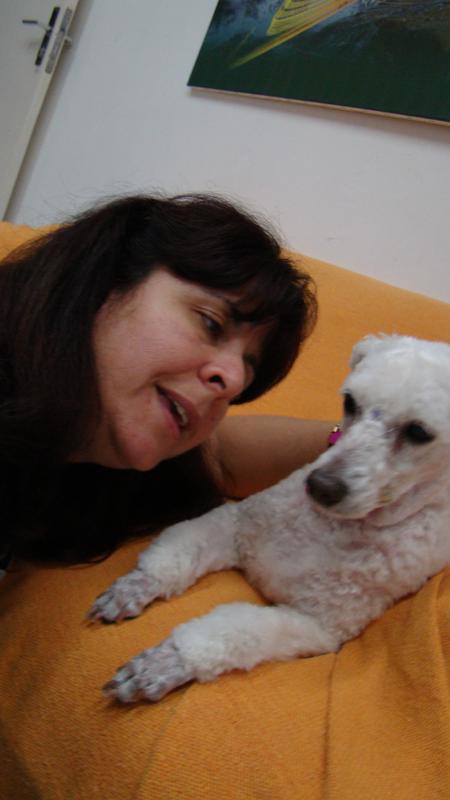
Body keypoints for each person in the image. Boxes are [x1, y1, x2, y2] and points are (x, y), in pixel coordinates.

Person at [0, 193, 333, 571]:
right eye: (210, 323)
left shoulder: (90, 450)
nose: (234, 381)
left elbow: (220, 456)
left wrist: (366, 442)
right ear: (103, 284)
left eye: (248, 368)